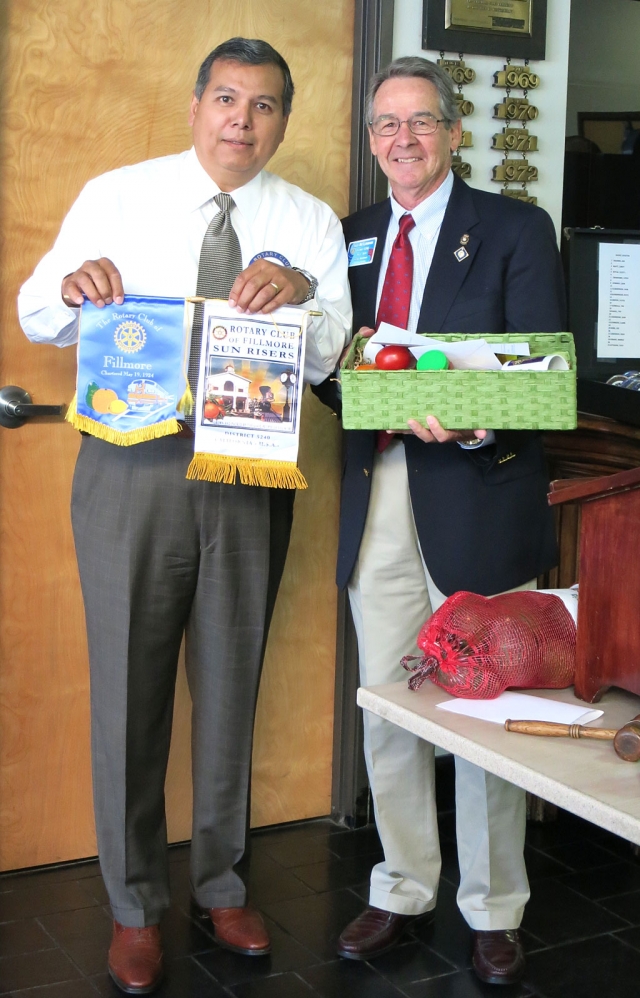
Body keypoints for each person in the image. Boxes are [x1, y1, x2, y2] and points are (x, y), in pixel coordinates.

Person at [18, 37, 350, 996]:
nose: (242, 121)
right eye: (227, 99)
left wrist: (304, 299)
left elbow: (334, 353)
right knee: (127, 688)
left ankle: (221, 884)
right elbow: (37, 310)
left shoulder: (309, 221)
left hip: (249, 468)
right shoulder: (118, 195)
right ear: (197, 104)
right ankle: (133, 906)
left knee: (231, 681)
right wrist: (73, 289)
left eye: (264, 105)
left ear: (283, 121)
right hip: (132, 466)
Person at [331, 57, 564, 986]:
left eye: (421, 121)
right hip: (377, 490)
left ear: (455, 132)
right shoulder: (349, 236)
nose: (404, 139)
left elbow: (542, 375)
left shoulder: (515, 227)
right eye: (386, 124)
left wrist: (469, 419)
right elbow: (335, 371)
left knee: (486, 707)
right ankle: (402, 886)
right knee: (389, 701)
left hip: (477, 493)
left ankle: (494, 905)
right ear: (372, 139)